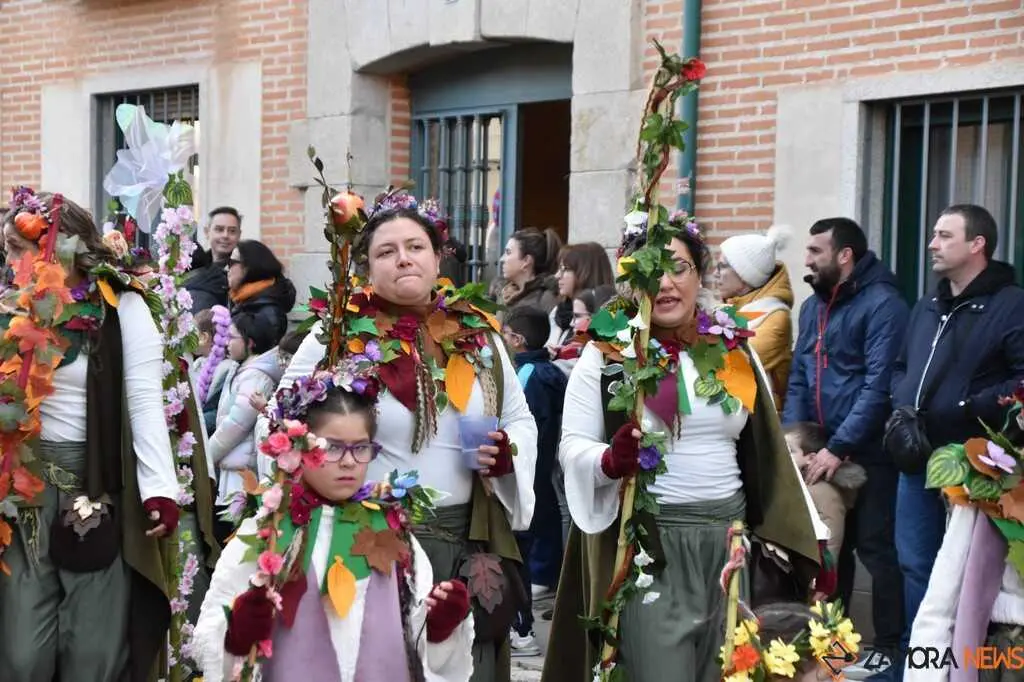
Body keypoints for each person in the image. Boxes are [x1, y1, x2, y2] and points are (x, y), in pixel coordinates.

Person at [260, 190, 538, 682]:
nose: (403, 258)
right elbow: (282, 421)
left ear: (437, 258)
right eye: (386, 251)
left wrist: (507, 457)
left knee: (464, 664)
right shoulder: (338, 333)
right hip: (372, 539)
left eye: (415, 246)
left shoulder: (479, 333)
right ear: (367, 269)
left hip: (464, 542)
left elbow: (519, 418)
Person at [543, 220, 822, 682]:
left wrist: (811, 533)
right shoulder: (608, 354)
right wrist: (609, 461)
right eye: (652, 270)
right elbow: (571, 446)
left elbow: (769, 452)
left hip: (728, 547)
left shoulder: (734, 348)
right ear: (630, 279)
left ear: (700, 274)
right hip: (649, 551)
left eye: (679, 267)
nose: (667, 283)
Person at [0, 189, 180, 681]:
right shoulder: (12, 310)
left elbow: (144, 399)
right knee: (21, 654)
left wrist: (160, 489)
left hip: (95, 488)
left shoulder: (121, 308)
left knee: (92, 652)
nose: (10, 261)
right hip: (25, 493)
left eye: (18, 248)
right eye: (8, 250)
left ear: (59, 246)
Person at [194, 375, 476, 681]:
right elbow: (210, 637)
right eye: (332, 448)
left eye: (361, 448)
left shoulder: (393, 530)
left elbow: (414, 636)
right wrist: (237, 633)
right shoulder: (267, 532)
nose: (348, 462)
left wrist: (440, 626)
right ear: (298, 446)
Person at [890, 204, 1024, 653]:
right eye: (934, 235)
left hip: (975, 467)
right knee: (914, 563)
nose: (932, 244)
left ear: (977, 244)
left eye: (945, 235)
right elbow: (903, 365)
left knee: (962, 574)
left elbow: (1021, 380)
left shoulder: (1010, 305)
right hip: (917, 456)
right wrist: (902, 402)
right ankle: (917, 659)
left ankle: (959, 662)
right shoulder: (927, 304)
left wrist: (968, 406)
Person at [784, 217, 908, 679]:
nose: (807, 260)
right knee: (829, 554)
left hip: (867, 453)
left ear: (845, 255)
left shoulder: (885, 306)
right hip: (819, 455)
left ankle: (892, 648)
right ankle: (835, 651)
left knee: (878, 550)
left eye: (816, 251)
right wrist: (794, 442)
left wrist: (839, 447)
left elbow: (879, 387)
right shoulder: (812, 308)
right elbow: (799, 376)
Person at [501, 306, 568, 657]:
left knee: (521, 541)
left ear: (518, 339)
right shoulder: (551, 371)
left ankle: (520, 630)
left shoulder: (527, 374)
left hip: (528, 467)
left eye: (507, 335)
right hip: (545, 465)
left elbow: (521, 423)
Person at [209, 313, 285, 545]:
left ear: (250, 342)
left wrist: (206, 457)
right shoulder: (241, 370)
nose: (226, 342)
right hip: (232, 470)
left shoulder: (256, 376)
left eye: (232, 337)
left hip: (241, 476)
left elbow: (235, 425)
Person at [716, 225, 795, 410]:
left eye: (723, 266)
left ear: (745, 276)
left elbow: (734, 364)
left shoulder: (775, 316)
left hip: (764, 423)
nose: (715, 273)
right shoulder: (729, 309)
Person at [785, 421, 867, 594]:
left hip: (813, 576)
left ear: (811, 458)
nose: (783, 455)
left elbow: (831, 539)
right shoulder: (792, 485)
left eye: (790, 451)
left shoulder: (823, 493)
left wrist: (824, 578)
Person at [227, 240, 297, 348]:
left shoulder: (269, 311)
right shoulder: (240, 299)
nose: (227, 268)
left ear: (248, 267)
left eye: (232, 262)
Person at [548, 242, 614, 350]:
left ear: (587, 272)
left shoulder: (607, 317)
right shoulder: (559, 312)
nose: (557, 276)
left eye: (565, 269)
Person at [186, 206, 242, 312]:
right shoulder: (192, 266)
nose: (225, 235)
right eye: (219, 229)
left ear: (239, 235)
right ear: (207, 232)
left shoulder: (247, 271)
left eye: (232, 231)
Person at [192, 305, 236, 437]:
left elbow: (215, 413)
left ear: (203, 337)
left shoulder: (225, 371)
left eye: (192, 333)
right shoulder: (197, 364)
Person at [498, 228, 562, 317]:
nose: (502, 259)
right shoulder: (504, 294)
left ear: (526, 261)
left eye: (508, 252)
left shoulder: (545, 299)